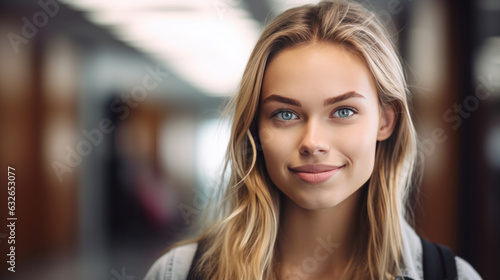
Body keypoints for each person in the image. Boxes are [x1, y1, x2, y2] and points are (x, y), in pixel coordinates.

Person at [144, 0, 482, 279]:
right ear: (254, 129)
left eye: (343, 111)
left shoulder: (453, 276)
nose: (313, 142)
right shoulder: (177, 273)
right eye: (285, 114)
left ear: (386, 120)